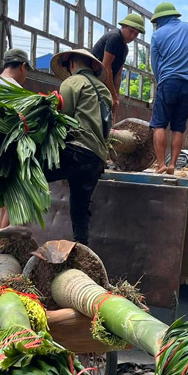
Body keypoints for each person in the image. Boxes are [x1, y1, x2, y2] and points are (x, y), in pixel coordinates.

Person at [47, 48, 112, 245]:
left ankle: (20, 226)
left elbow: (63, 118)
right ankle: (82, 247)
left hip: (76, 151)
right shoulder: (104, 90)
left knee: (29, 172)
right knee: (80, 207)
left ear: (72, 64)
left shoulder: (72, 82)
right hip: (97, 158)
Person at [149, 2, 188, 174]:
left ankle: (160, 164)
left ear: (160, 19)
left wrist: (161, 81)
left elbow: (155, 64)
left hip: (168, 82)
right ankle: (173, 164)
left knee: (159, 124)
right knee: (178, 127)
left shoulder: (158, 35)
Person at [0, 47, 33, 227]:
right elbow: (22, 126)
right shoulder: (16, 90)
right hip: (9, 153)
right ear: (23, 66)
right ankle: (2, 246)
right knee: (14, 201)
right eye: (27, 71)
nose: (26, 76)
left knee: (4, 203)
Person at [91, 13, 145, 118]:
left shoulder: (125, 49)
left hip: (104, 81)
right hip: (93, 78)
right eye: (131, 31)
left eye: (136, 34)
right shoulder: (115, 37)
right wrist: (112, 94)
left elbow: (118, 75)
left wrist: (116, 97)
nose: (132, 36)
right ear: (123, 27)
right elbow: (106, 66)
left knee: (110, 110)